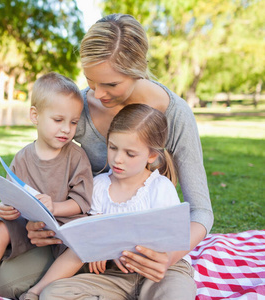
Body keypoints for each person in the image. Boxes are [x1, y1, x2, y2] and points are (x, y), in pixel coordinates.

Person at [0, 13, 214, 299]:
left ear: (139, 69)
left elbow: (201, 211)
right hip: (69, 231)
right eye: (90, 81)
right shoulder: (80, 108)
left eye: (111, 85)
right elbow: (45, 162)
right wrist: (34, 219)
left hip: (101, 246)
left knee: (6, 284)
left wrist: (170, 256)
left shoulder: (176, 115)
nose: (97, 94)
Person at [0, 72, 93, 300]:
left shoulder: (77, 157)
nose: (66, 129)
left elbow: (81, 203)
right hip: (25, 227)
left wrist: (55, 207)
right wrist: (5, 209)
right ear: (35, 115)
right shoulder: (22, 157)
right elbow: (11, 198)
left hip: (57, 235)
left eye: (73, 122)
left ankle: (11, 268)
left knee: (5, 283)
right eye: (58, 120)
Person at [20, 103, 186, 300]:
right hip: (112, 276)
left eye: (130, 154)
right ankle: (36, 292)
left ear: (151, 155)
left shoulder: (159, 188)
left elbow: (176, 239)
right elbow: (94, 234)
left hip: (159, 273)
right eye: (112, 147)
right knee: (53, 294)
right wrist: (99, 249)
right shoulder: (99, 186)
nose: (117, 159)